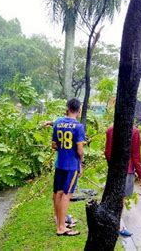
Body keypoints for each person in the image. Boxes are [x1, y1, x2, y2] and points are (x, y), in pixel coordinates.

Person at [50, 98, 85, 236]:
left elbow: (53, 145)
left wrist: (63, 150)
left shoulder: (58, 123)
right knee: (66, 195)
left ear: (67, 108)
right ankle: (61, 227)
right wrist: (81, 163)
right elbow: (80, 150)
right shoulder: (79, 127)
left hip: (60, 164)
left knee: (58, 193)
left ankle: (60, 222)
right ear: (79, 110)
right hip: (72, 166)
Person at [105, 124, 141, 237]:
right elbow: (136, 155)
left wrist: (112, 167)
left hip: (113, 169)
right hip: (127, 170)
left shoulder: (110, 129)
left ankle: (112, 222)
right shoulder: (134, 131)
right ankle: (118, 226)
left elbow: (107, 152)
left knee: (113, 197)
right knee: (121, 199)